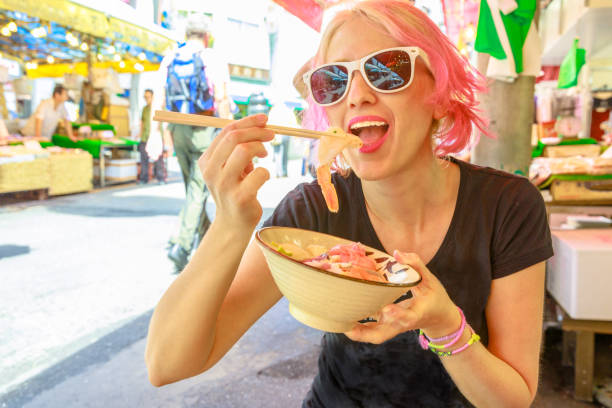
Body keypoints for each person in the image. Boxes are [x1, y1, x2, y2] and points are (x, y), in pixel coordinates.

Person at [145, 2, 553, 407]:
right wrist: (230, 225)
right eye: (333, 80)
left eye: (387, 69)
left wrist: (447, 327)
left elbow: (512, 399)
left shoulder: (508, 207)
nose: (356, 96)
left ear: (441, 96)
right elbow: (168, 363)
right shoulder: (316, 210)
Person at [155, 13, 231, 272]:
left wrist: (158, 133)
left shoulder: (171, 57)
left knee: (192, 189)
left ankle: (206, 237)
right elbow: (221, 97)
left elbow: (160, 97)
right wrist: (229, 131)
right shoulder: (212, 58)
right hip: (203, 127)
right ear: (207, 35)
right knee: (197, 192)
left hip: (177, 128)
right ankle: (182, 246)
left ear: (186, 35)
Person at [137, 89, 164, 184]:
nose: (146, 99)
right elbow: (142, 123)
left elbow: (162, 122)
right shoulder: (144, 109)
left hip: (155, 137)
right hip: (145, 137)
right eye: (145, 97)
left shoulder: (158, 108)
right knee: (143, 159)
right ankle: (144, 178)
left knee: (158, 159)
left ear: (152, 97)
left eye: (148, 97)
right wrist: (139, 135)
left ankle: (160, 178)